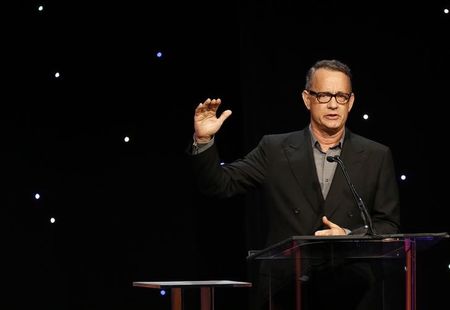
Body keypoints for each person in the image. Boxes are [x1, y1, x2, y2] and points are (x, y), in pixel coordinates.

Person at [189, 59, 401, 309]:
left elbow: (388, 225)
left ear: (351, 101)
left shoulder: (376, 155)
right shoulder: (275, 149)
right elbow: (219, 184)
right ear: (307, 98)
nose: (333, 104)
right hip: (284, 290)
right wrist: (203, 140)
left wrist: (347, 235)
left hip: (352, 290)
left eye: (341, 96)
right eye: (323, 95)